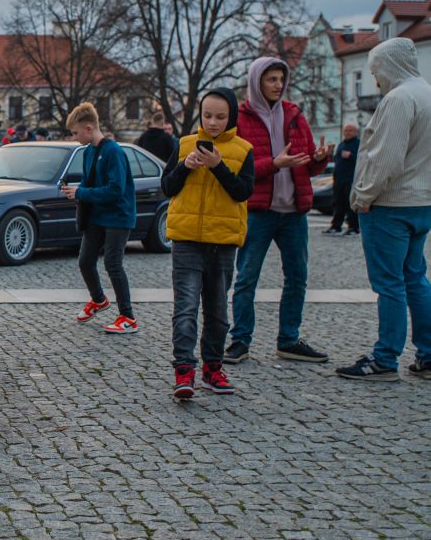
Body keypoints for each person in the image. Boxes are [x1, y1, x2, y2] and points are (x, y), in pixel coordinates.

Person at [225, 57, 331, 365]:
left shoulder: (294, 114)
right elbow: (236, 170)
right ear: (257, 81)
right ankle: (240, 340)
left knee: (297, 277)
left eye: (280, 79)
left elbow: (308, 164)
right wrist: (275, 164)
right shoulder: (240, 118)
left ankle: (288, 340)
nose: (277, 85)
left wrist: (319, 158)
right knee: (246, 278)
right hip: (258, 211)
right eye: (271, 79)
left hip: (294, 212)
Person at [337, 38, 431, 382]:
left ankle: (384, 358)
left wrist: (362, 196)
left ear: (389, 66)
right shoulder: (427, 93)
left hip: (390, 205)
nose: (376, 80)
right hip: (423, 202)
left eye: (376, 71)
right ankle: (429, 355)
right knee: (416, 278)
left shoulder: (399, 99)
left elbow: (385, 158)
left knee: (390, 284)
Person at [160, 89, 255, 399]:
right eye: (208, 116)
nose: (213, 123)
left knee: (217, 311)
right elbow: (167, 186)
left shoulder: (243, 150)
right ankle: (184, 370)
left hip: (223, 242)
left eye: (220, 117)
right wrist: (185, 166)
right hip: (187, 238)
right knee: (185, 307)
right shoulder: (184, 144)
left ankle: (213, 368)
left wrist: (217, 165)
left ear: (231, 118)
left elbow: (242, 192)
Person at [60, 102, 138, 334]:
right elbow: (90, 182)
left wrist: (81, 193)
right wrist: (76, 191)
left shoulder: (114, 151)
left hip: (117, 216)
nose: (74, 138)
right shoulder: (88, 152)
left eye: (75, 132)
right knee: (85, 261)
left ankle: (128, 317)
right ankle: (99, 299)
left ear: (88, 127)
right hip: (96, 215)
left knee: (113, 264)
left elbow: (116, 190)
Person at [325, 123, 360, 235]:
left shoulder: (358, 144)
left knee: (351, 205)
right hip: (339, 179)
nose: (347, 133)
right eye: (345, 130)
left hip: (351, 180)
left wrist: (351, 156)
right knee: (338, 204)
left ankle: (353, 228)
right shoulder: (341, 144)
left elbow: (363, 161)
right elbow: (337, 160)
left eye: (350, 130)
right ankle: (336, 226)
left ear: (356, 132)